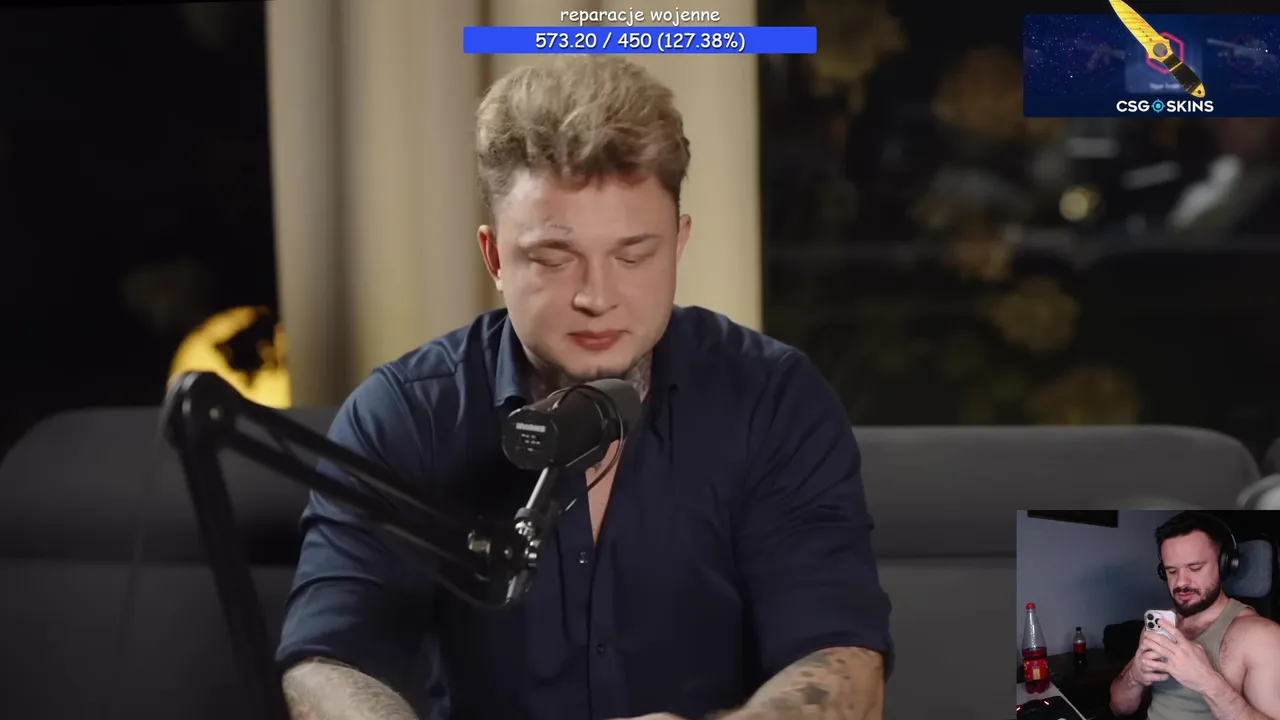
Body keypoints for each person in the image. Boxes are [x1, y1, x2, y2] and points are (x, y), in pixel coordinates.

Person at [275, 55, 893, 720]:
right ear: (495, 257)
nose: (597, 297)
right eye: (553, 258)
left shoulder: (773, 400)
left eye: (633, 255)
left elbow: (844, 658)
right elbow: (329, 660)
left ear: (679, 243)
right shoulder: (406, 414)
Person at [1108, 511, 1280, 719]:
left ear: (1225, 564)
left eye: (1195, 568)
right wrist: (1135, 678)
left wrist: (1207, 681)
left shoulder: (1262, 637)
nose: (1181, 582)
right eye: (1172, 571)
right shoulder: (1160, 624)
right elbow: (1118, 707)